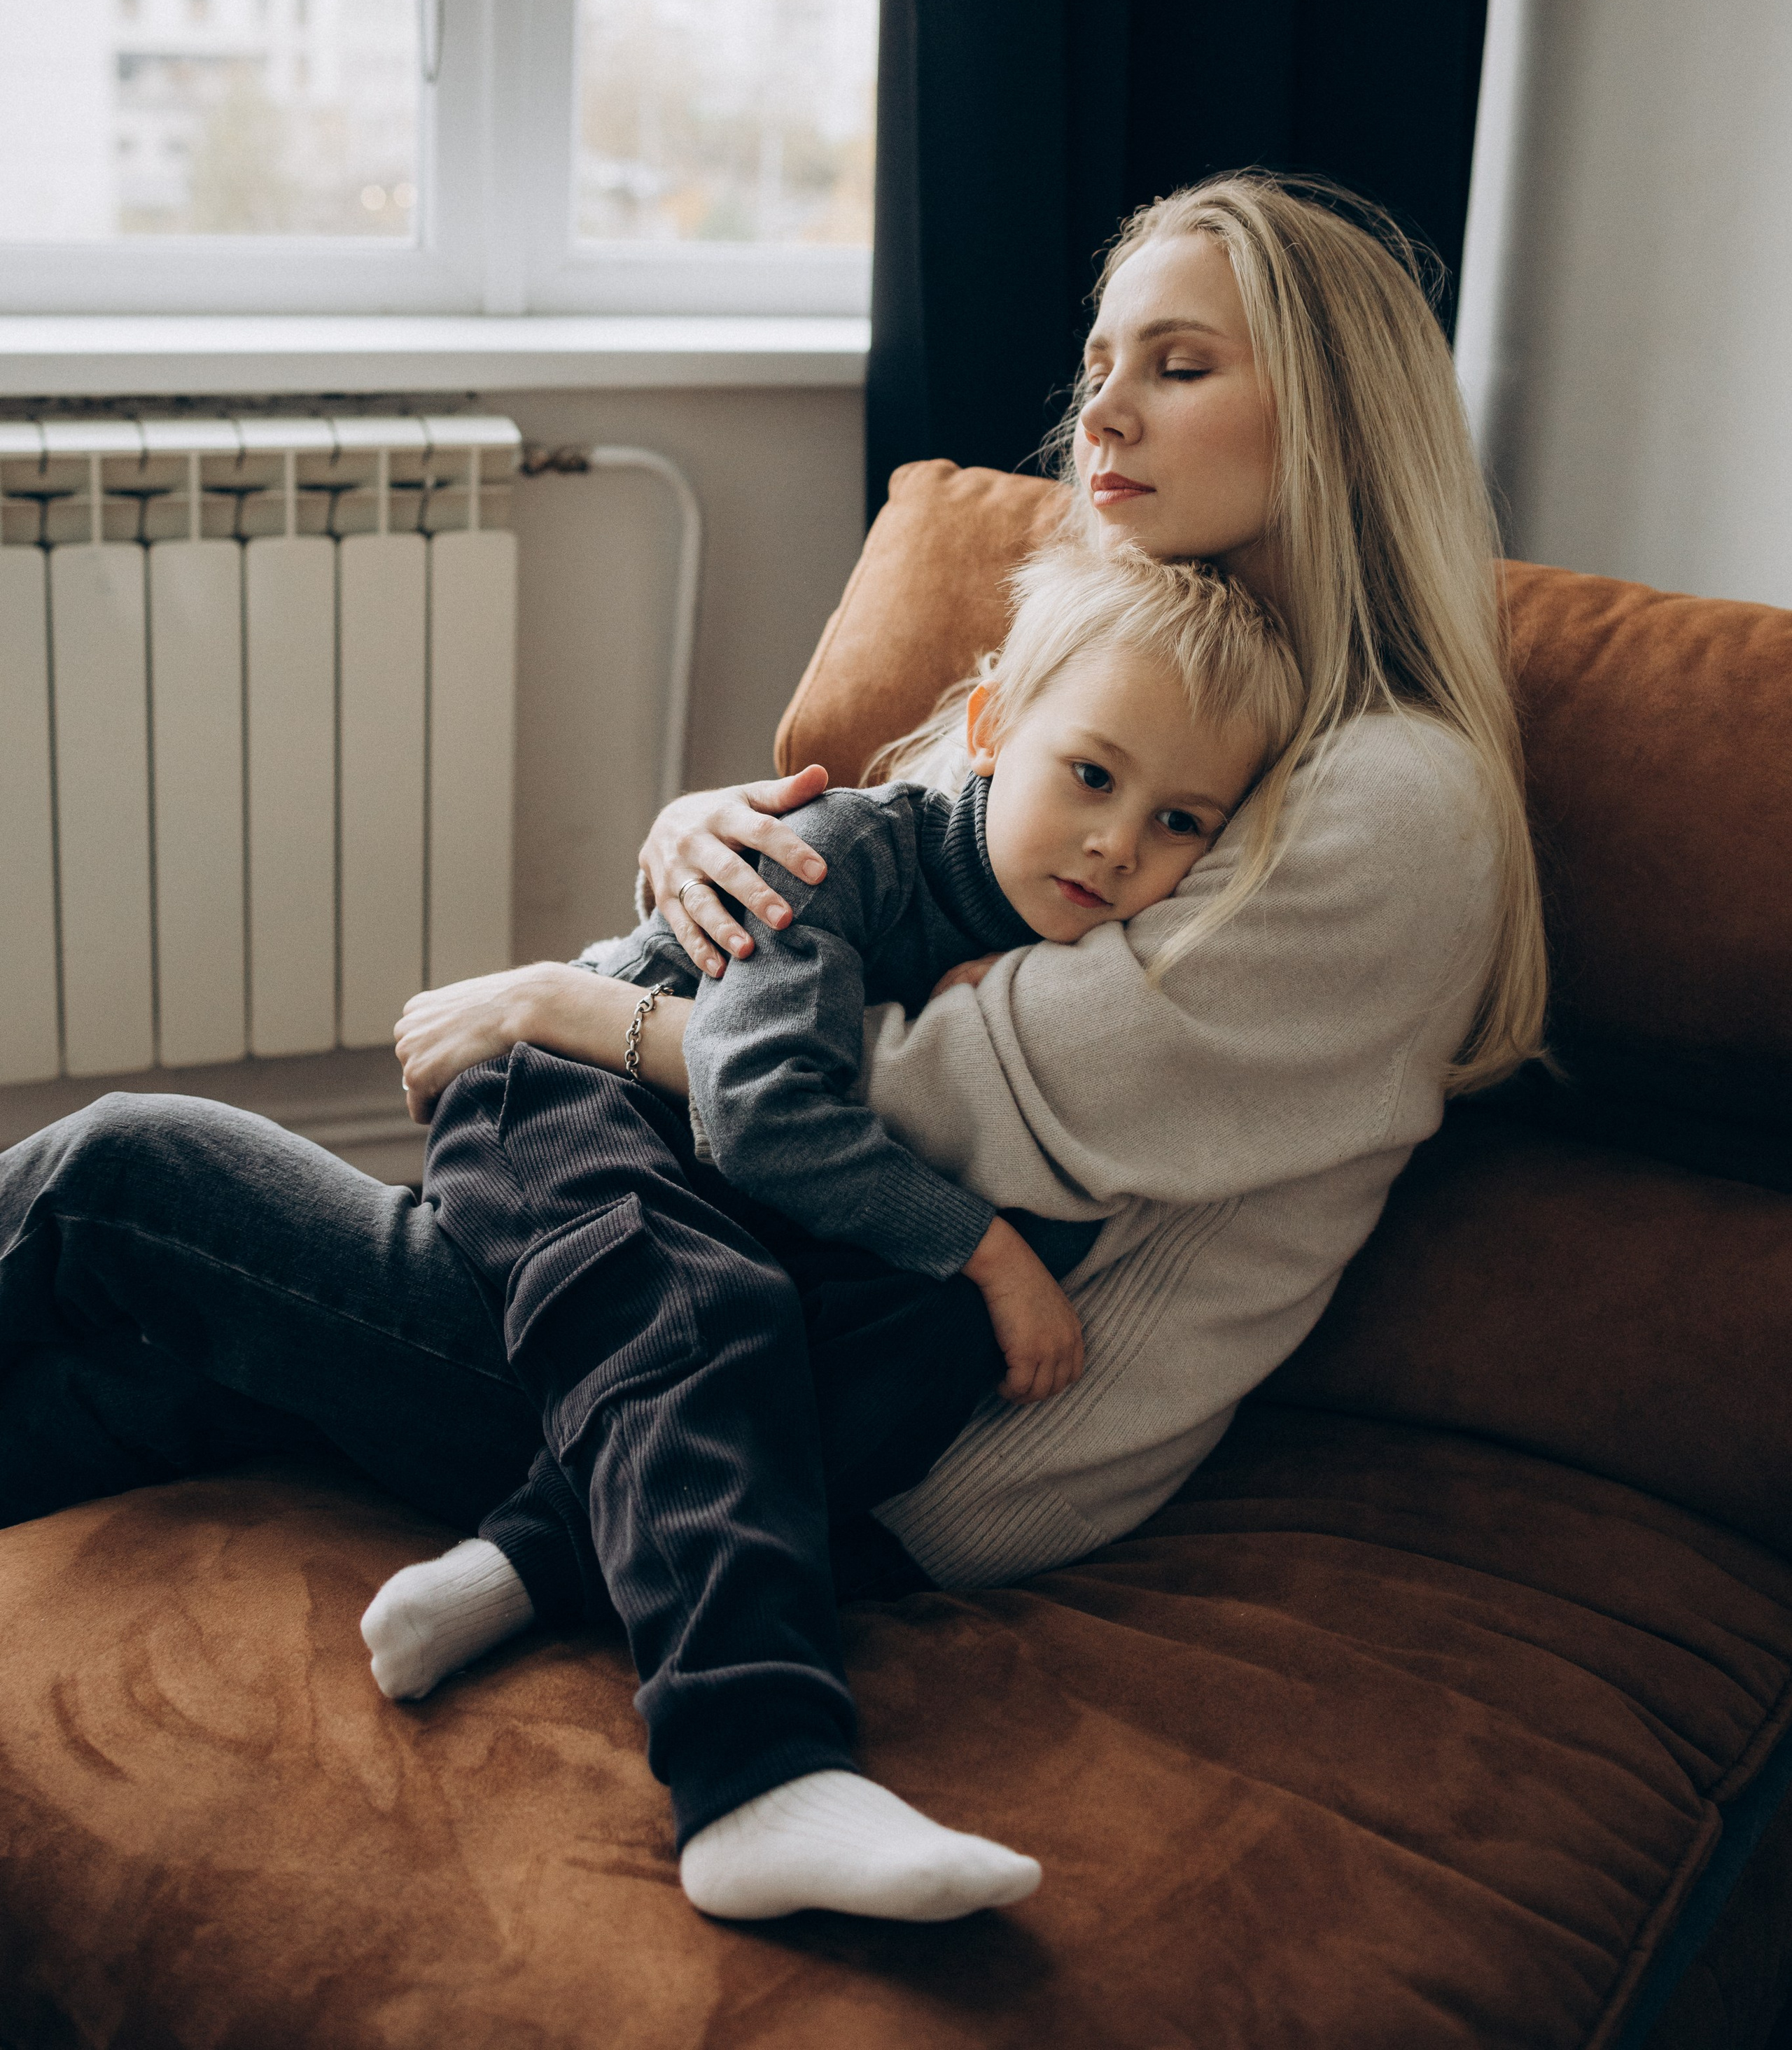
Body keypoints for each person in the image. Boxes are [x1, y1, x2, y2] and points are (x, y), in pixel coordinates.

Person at [0, 173, 1546, 1928]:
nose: (1099, 410)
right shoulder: (1132, 655)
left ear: (1335, 414)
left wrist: (582, 1008)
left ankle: (753, 1764)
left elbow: (953, 1110)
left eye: (1177, 367)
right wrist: (693, 839)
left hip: (888, 1400)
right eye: (1101, 358)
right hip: (771, 1259)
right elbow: (839, 893)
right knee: (161, 1373)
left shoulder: (1389, 799)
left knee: (132, 1181)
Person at [360, 549, 1303, 1804]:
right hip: (562, 1096)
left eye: (1182, 822)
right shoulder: (846, 851)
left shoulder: (1093, 951)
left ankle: (533, 1560)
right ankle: (743, 1750)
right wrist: (989, 1249)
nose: (1120, 844)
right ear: (989, 730)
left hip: (736, 1195)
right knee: (725, 1304)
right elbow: (760, 1112)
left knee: (927, 1344)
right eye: (1090, 775)